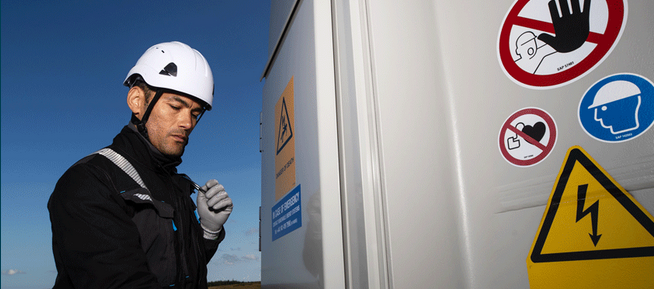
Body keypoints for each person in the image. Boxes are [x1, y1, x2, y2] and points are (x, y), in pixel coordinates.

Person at [48, 41, 234, 288]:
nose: (187, 123)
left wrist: (208, 232)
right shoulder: (89, 181)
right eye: (176, 106)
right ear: (137, 101)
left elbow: (179, 272)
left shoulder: (177, 187)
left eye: (195, 113)